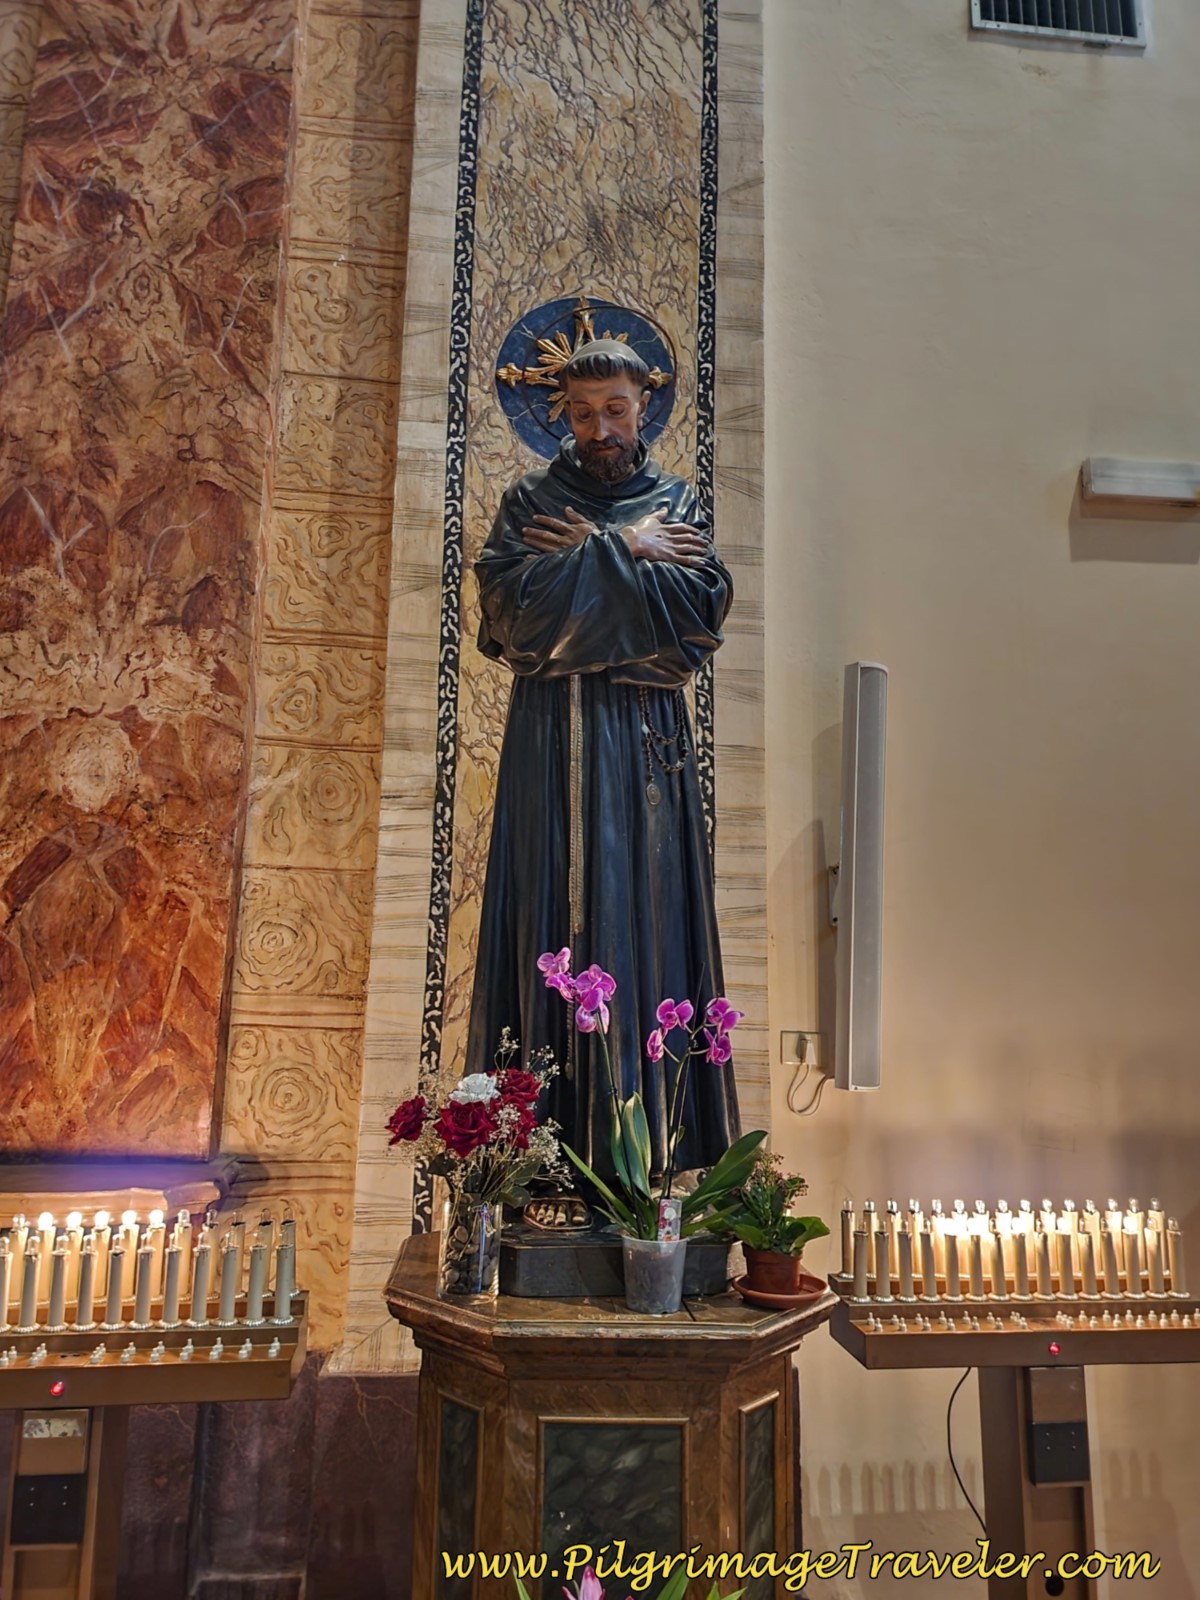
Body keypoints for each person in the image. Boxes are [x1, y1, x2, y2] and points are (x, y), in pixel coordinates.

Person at [466, 339, 740, 1180]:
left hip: (645, 747)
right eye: (583, 414)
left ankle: (649, 1163)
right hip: (550, 745)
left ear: (643, 407)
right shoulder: (528, 501)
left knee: (645, 915)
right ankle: (541, 1166)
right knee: (551, 909)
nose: (600, 428)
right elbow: (516, 621)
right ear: (563, 415)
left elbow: (689, 629)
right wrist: (629, 552)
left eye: (615, 409)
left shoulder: (678, 500)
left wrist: (586, 561)